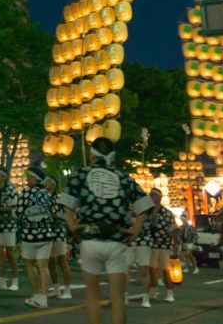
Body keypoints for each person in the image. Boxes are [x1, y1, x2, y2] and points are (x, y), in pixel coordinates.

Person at [58, 137, 153, 324]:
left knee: (92, 294)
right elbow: (144, 206)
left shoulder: (82, 174)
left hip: (90, 238)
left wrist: (72, 224)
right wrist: (135, 229)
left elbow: (66, 201)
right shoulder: (124, 178)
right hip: (116, 239)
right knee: (117, 297)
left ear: (92, 157)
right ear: (112, 157)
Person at [16, 163, 56, 309]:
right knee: (43, 266)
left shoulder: (25, 194)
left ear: (34, 178)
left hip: (29, 235)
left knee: (29, 265)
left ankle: (36, 293)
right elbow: (54, 212)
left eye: (29, 177)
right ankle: (44, 298)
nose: (27, 180)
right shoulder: (47, 194)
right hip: (45, 234)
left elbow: (18, 213)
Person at [0, 167, 21, 291]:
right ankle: (2, 281)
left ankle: (15, 281)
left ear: (4, 177)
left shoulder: (11, 189)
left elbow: (13, 206)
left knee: (11, 253)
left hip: (9, 225)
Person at [145, 188, 179, 305]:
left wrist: (175, 244)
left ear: (159, 197)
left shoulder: (167, 213)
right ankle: (152, 293)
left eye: (153, 195)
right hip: (151, 245)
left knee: (166, 270)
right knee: (152, 270)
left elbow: (174, 229)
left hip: (164, 245)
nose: (151, 197)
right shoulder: (147, 212)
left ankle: (170, 294)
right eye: (150, 195)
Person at [43, 176, 72, 300]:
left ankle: (67, 290)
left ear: (53, 185)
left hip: (58, 231)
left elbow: (64, 215)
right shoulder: (43, 198)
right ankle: (56, 289)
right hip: (46, 231)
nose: (45, 184)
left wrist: (51, 215)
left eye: (48, 182)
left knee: (61, 260)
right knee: (50, 262)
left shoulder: (59, 198)